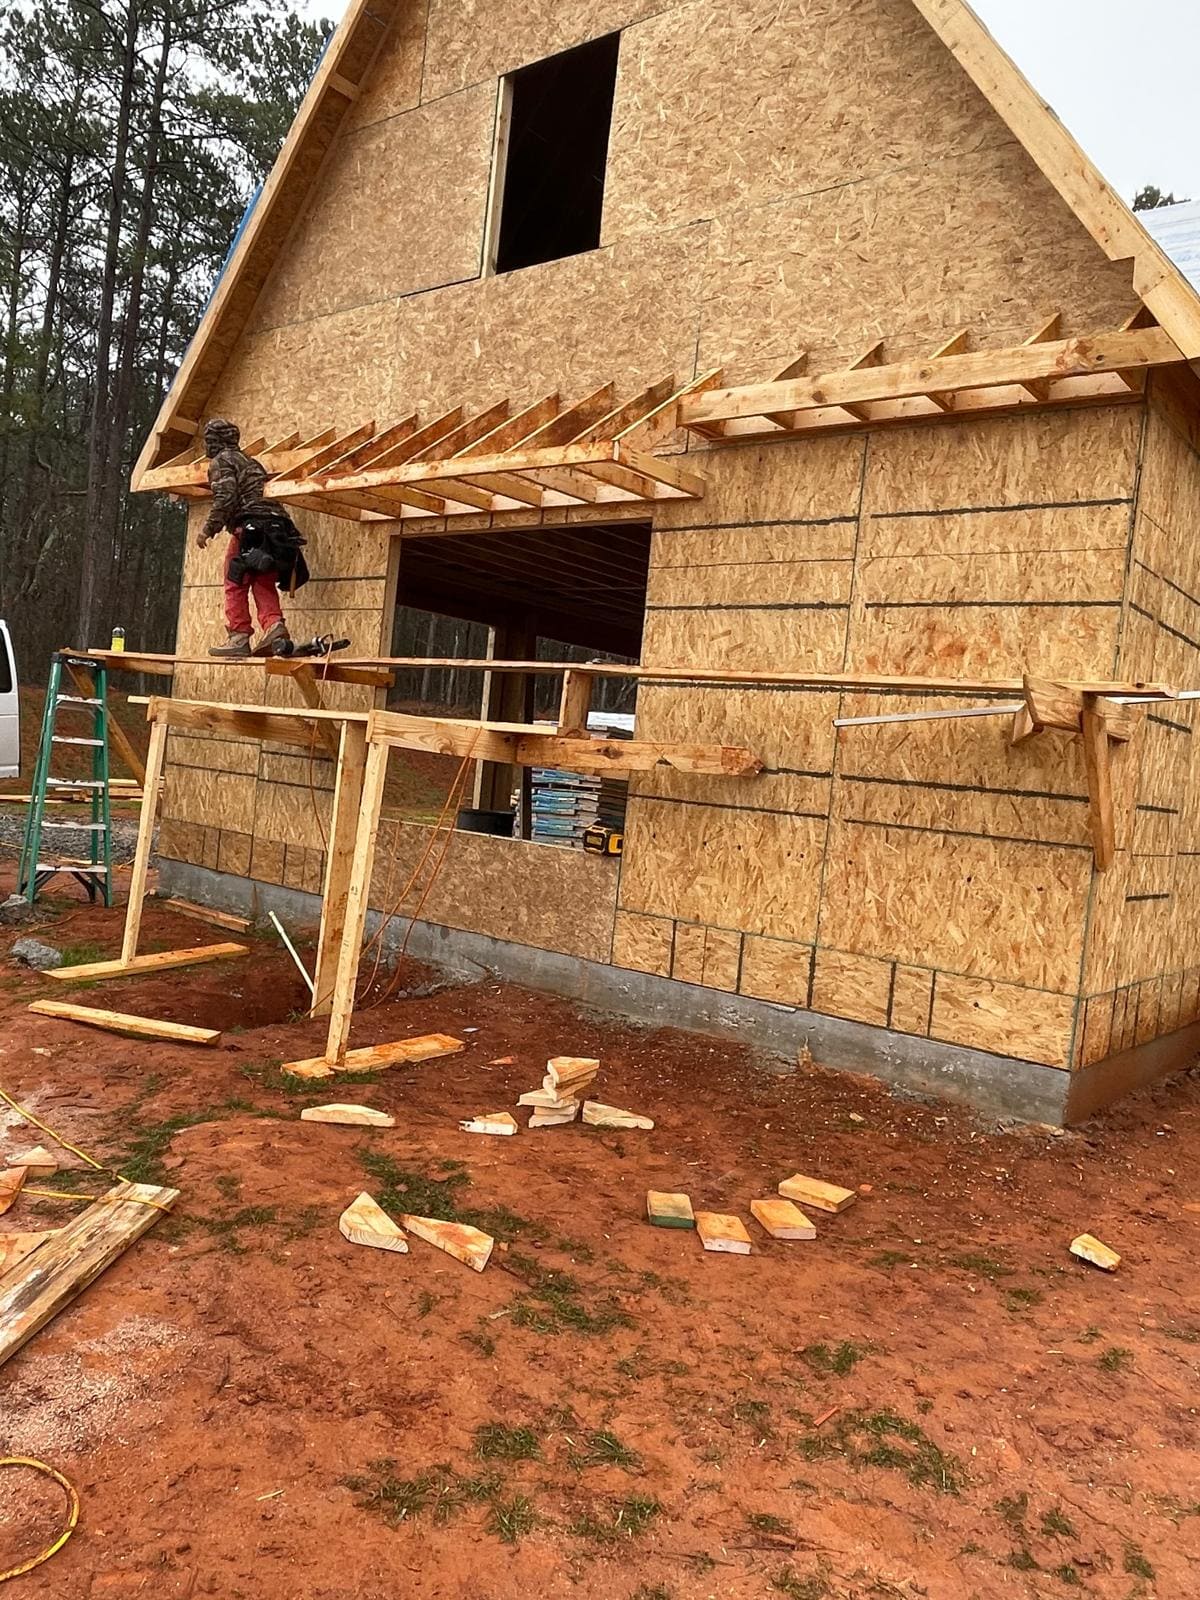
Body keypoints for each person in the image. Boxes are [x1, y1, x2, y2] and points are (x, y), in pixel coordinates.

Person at [196, 418, 309, 658]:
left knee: (235, 579)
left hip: (250, 527)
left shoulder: (222, 461)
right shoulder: (252, 462)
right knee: (262, 580)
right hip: (276, 529)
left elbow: (226, 497)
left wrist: (208, 529)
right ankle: (274, 627)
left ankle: (238, 636)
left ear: (214, 441)